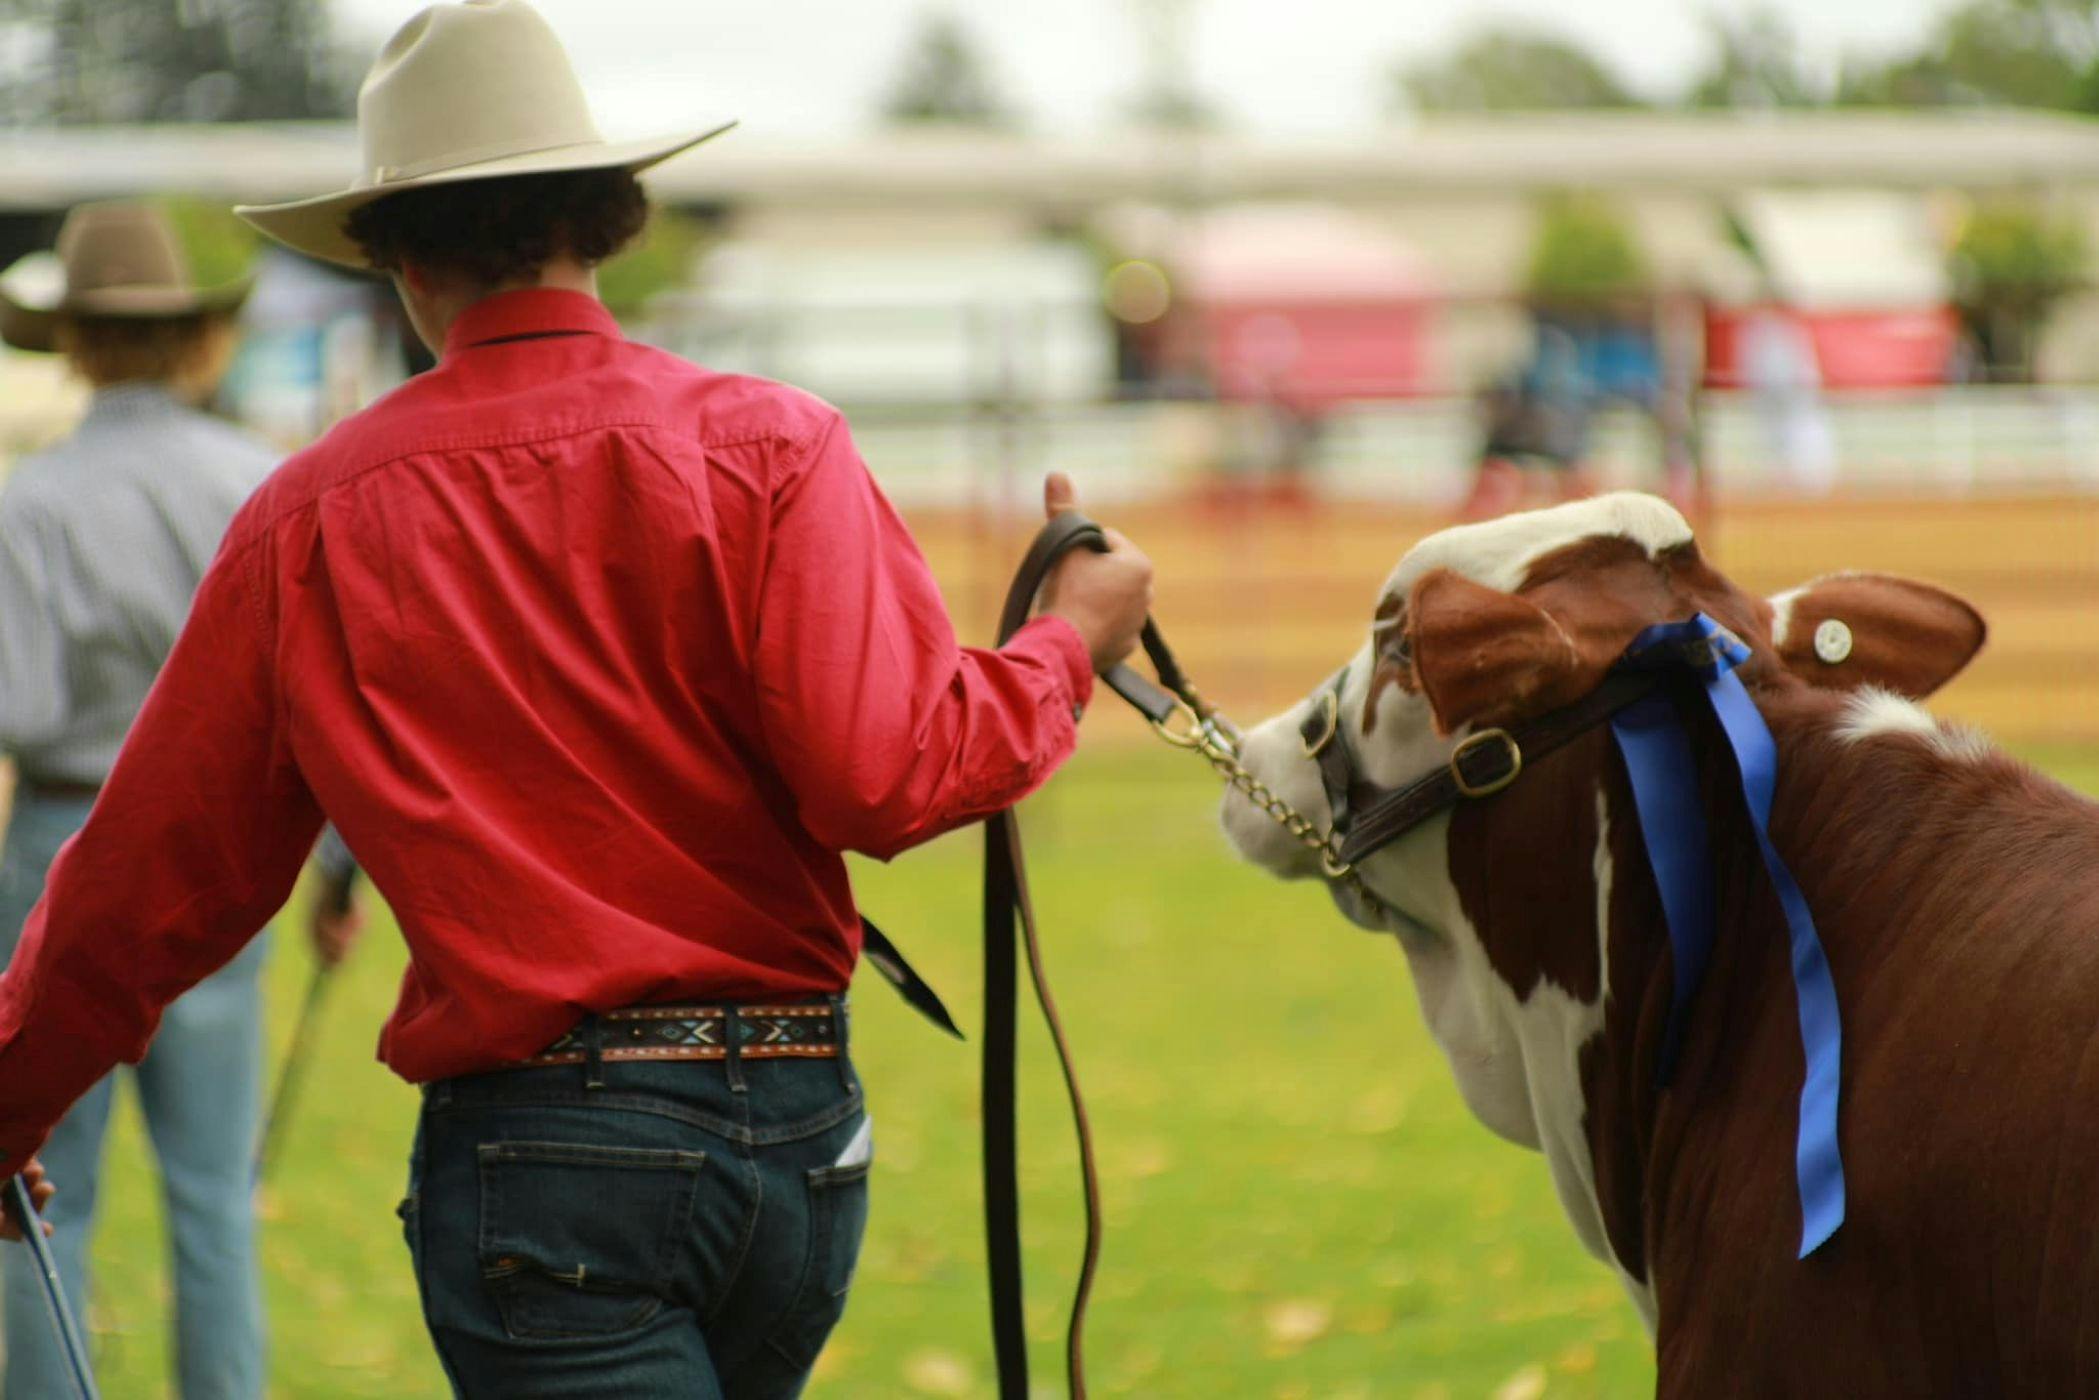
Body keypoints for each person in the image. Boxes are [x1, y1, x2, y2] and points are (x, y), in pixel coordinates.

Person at [0, 4, 1152, 1397]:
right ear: (600, 221)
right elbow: (888, 773)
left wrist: (11, 1104)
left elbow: (150, 879)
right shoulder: (775, 447)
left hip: (546, 1150)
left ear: (397, 255)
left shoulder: (310, 516)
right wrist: (1056, 650)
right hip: (792, 1132)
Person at [0, 200, 361, 1399]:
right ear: (189, 338)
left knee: (42, 1189)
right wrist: (335, 877)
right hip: (229, 855)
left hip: (69, 840)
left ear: (76, 342)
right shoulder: (264, 479)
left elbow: (23, 705)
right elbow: (321, 700)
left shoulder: (30, 500)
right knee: (213, 1190)